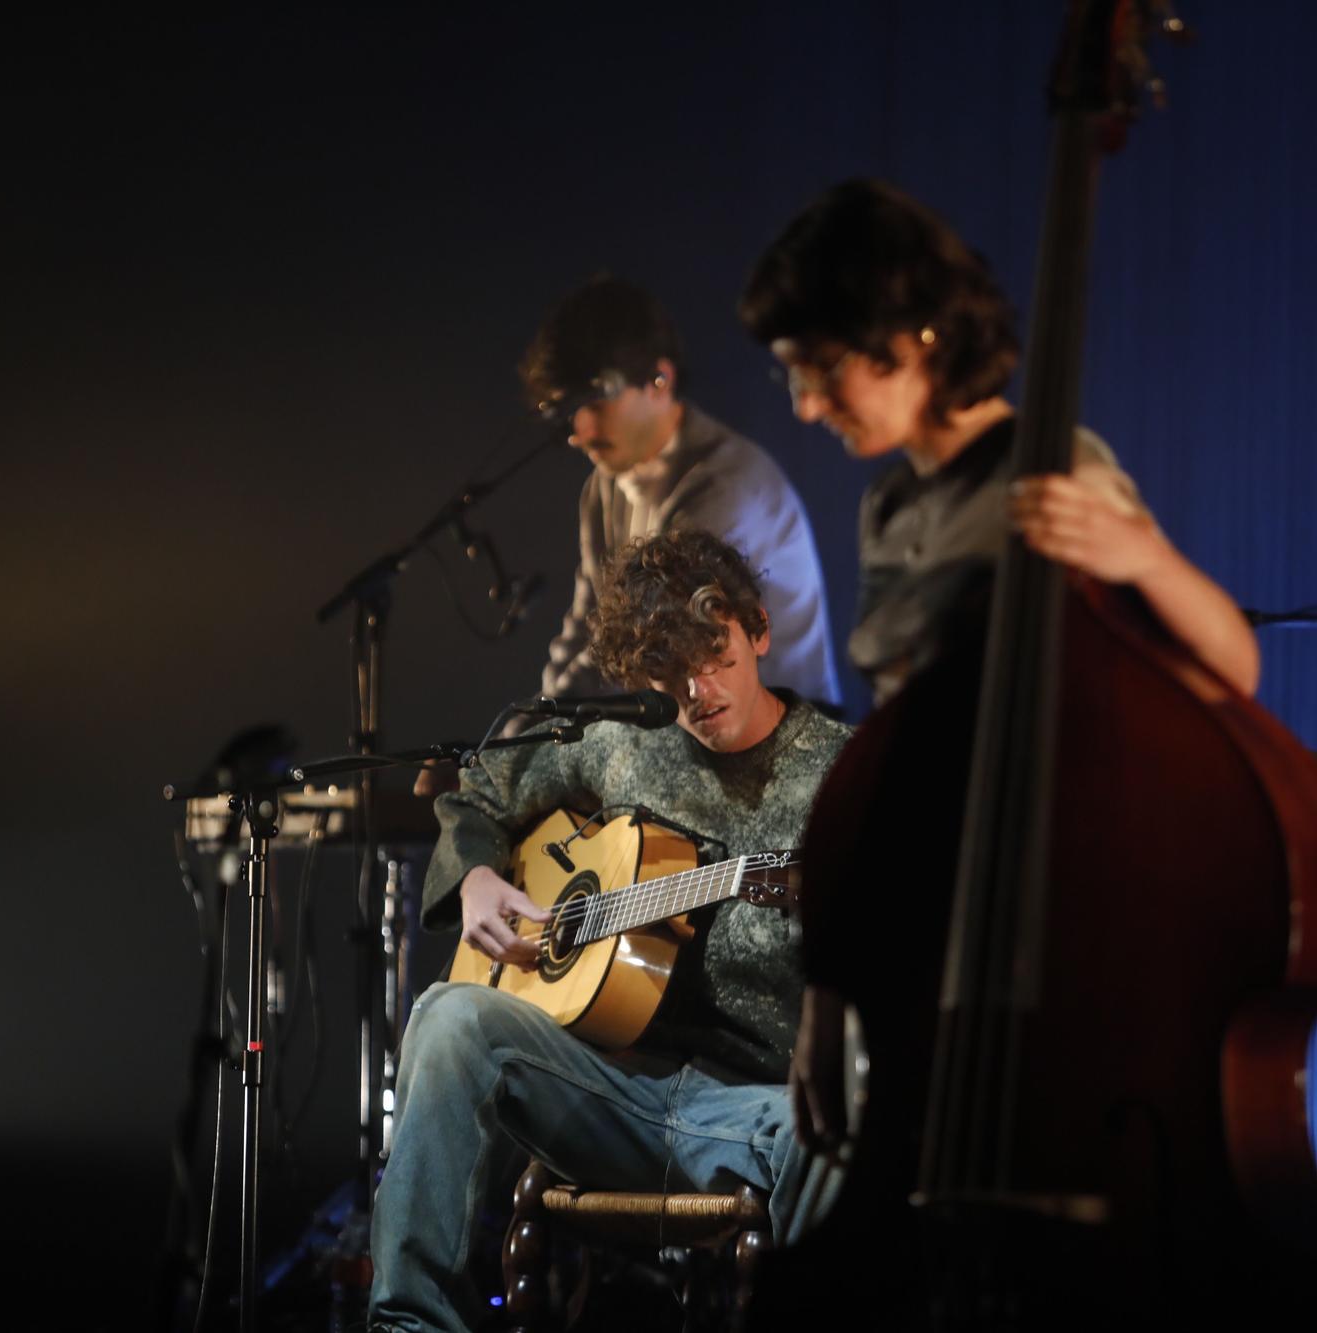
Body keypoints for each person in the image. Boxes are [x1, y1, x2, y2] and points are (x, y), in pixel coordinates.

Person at [738, 176, 1262, 1148]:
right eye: (790, 377)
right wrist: (826, 994)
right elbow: (887, 767)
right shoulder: (886, 508)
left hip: (1047, 944)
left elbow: (1230, 668)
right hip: (916, 947)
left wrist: (1142, 557)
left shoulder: (1054, 464)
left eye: (820, 368)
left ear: (913, 339)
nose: (806, 406)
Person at [369, 530, 852, 1333]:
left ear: (758, 630)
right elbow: (479, 786)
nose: (698, 690)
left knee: (841, 1134)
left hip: (761, 1114)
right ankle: (407, 1325)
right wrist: (480, 877)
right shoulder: (624, 745)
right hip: (613, 1094)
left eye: (716, 655)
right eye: (669, 672)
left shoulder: (842, 775)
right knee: (450, 1016)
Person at [522, 275, 840, 706]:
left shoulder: (725, 484)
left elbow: (648, 646)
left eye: (594, 404)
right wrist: (530, 727)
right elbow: (588, 626)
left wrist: (526, 738)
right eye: (568, 411)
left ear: (660, 380)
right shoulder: (602, 485)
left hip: (786, 749)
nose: (578, 433)